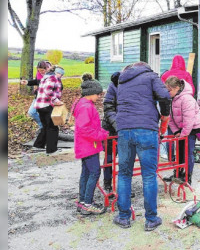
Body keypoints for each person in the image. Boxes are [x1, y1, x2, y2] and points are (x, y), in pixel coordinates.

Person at [113, 62, 171, 231]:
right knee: (148, 175)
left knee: (124, 174)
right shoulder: (151, 76)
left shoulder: (121, 80)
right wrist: (164, 118)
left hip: (124, 129)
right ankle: (151, 219)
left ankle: (123, 217)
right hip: (147, 129)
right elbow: (165, 97)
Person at [72, 75, 109, 215]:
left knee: (86, 173)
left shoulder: (83, 103)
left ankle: (83, 201)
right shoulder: (86, 107)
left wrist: (100, 131)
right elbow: (84, 128)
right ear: (90, 93)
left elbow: (89, 125)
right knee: (94, 172)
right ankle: (88, 203)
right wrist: (101, 135)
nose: (99, 97)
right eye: (98, 94)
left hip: (86, 145)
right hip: (89, 146)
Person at [165, 77, 200, 183]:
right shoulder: (172, 99)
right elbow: (170, 117)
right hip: (181, 127)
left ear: (177, 88)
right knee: (179, 151)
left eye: (169, 90)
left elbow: (189, 120)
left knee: (188, 151)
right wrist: (176, 131)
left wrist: (183, 134)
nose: (168, 93)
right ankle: (177, 173)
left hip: (192, 127)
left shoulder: (187, 99)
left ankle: (187, 176)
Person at [33, 65, 64, 154]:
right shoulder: (53, 78)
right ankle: (52, 149)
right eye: (61, 74)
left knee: (46, 126)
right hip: (47, 105)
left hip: (40, 106)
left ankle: (38, 145)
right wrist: (56, 100)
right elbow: (48, 90)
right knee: (53, 127)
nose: (61, 76)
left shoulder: (45, 78)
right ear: (57, 72)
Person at [101, 72, 120, 194]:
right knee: (109, 157)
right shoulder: (112, 90)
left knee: (125, 157)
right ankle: (107, 184)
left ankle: (123, 186)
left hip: (123, 128)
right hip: (110, 129)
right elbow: (108, 109)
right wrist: (118, 126)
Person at [21, 60, 52, 131]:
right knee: (31, 112)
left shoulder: (52, 75)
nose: (41, 72)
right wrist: (28, 82)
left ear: (47, 68)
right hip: (38, 96)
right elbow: (37, 81)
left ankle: (48, 130)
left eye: (42, 70)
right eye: (39, 70)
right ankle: (43, 126)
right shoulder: (39, 74)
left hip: (48, 98)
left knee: (47, 116)